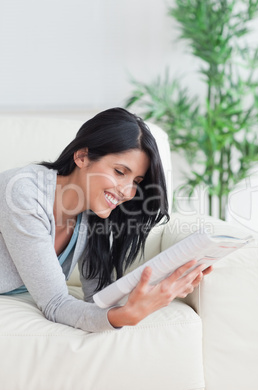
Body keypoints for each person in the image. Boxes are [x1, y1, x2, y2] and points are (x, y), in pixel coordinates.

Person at [0, 107, 212, 332]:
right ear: (82, 156)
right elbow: (55, 304)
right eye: (120, 172)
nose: (127, 191)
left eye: (136, 181)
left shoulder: (92, 210)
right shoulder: (23, 192)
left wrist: (162, 287)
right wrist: (124, 316)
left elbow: (97, 298)